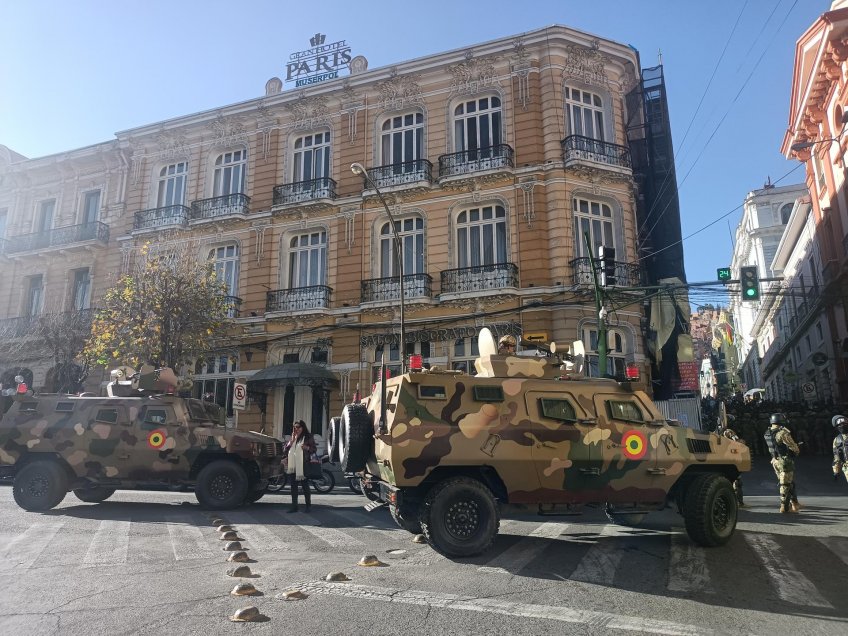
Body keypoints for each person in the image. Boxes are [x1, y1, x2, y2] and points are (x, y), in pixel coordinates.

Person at [764, 413, 801, 513]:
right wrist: (796, 450)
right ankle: (784, 507)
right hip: (784, 461)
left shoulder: (767, 432)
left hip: (774, 461)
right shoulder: (782, 433)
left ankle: (794, 503)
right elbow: (793, 446)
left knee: (788, 482)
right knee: (785, 485)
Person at [284, 420, 316, 513]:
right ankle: (294, 506)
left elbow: (314, 449)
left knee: (305, 486)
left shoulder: (308, 437)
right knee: (293, 487)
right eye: (295, 427)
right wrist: (291, 441)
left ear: (303, 427)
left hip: (303, 465)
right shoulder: (293, 437)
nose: (296, 429)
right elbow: (285, 450)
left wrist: (307, 448)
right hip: (293, 466)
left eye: (298, 427)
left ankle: (308, 506)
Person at [718, 423, 745, 507]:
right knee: (737, 482)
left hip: (724, 460)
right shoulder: (729, 432)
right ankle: (738, 502)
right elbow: (738, 442)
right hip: (731, 460)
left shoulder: (718, 433)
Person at [832, 415, 848, 484]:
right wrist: (836, 471)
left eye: (844, 424)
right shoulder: (837, 440)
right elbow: (837, 456)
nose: (842, 426)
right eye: (840, 425)